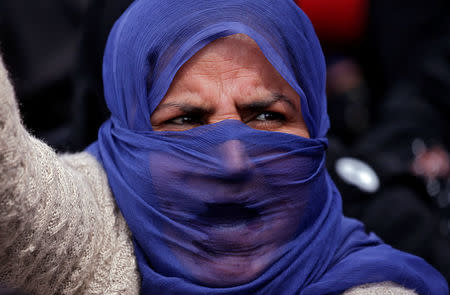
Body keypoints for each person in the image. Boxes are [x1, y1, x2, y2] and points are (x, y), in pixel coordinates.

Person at [0, 0, 447, 294]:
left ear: (314, 131)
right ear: (127, 141)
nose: (233, 161)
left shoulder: (377, 258)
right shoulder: (93, 234)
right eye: (187, 120)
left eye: (267, 116)